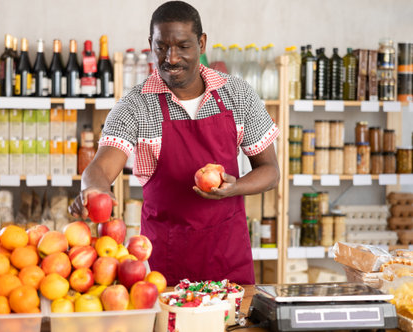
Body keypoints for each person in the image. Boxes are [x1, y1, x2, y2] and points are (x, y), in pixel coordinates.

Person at [69, 0, 280, 286]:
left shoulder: (237, 94)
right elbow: (101, 168)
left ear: (201, 43)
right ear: (150, 44)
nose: (171, 57)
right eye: (161, 47)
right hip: (164, 267)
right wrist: (92, 191)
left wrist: (235, 187)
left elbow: (270, 171)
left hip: (229, 262)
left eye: (183, 46)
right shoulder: (135, 105)